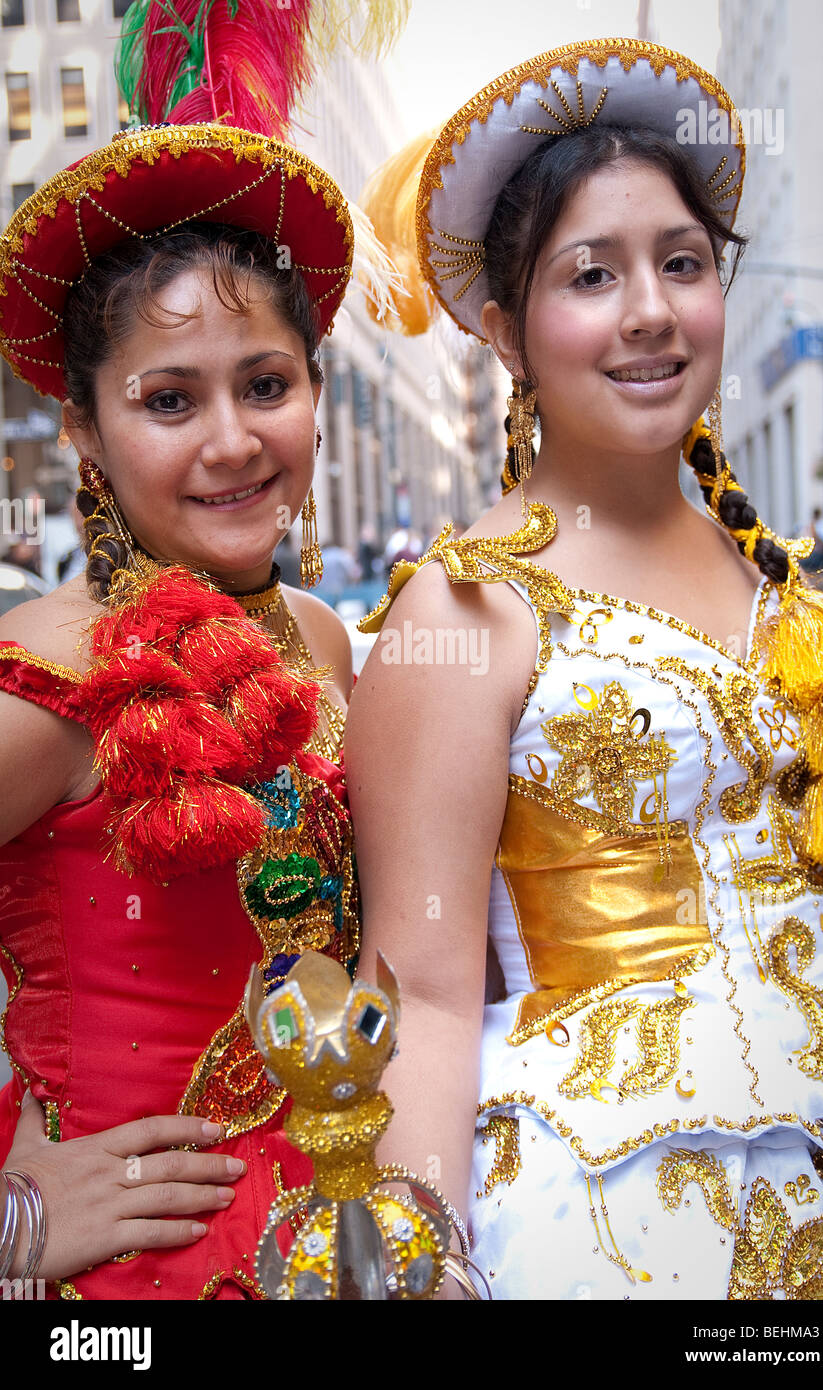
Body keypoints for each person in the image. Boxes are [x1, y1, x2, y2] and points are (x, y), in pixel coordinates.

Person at [347, 38, 823, 1300]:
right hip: (606, 1222)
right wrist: (425, 1265)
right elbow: (417, 990)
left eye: (680, 264)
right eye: (592, 274)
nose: (650, 309)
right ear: (505, 330)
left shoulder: (788, 590)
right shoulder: (467, 608)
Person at [0, 33, 371, 1295]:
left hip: (341, 1235)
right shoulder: (44, 679)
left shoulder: (318, 635)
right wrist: (10, 1222)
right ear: (87, 435)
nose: (232, 441)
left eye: (266, 384)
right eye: (169, 401)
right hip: (133, 1285)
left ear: (316, 395)